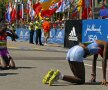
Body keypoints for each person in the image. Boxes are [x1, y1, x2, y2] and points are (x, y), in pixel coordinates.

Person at [42, 40, 108, 86]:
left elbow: (94, 60)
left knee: (77, 78)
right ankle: (59, 76)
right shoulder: (106, 44)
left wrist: (93, 75)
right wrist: (104, 79)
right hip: (78, 52)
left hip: (72, 50)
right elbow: (104, 60)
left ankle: (51, 74)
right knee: (81, 80)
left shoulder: (99, 43)